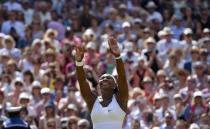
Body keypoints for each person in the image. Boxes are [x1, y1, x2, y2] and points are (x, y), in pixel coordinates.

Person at [75, 37, 128, 129]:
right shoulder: (92, 101)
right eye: (102, 79)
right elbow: (82, 81)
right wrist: (79, 63)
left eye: (108, 78)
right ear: (99, 86)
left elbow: (122, 77)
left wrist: (118, 57)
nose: (104, 79)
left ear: (115, 85)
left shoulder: (121, 99)